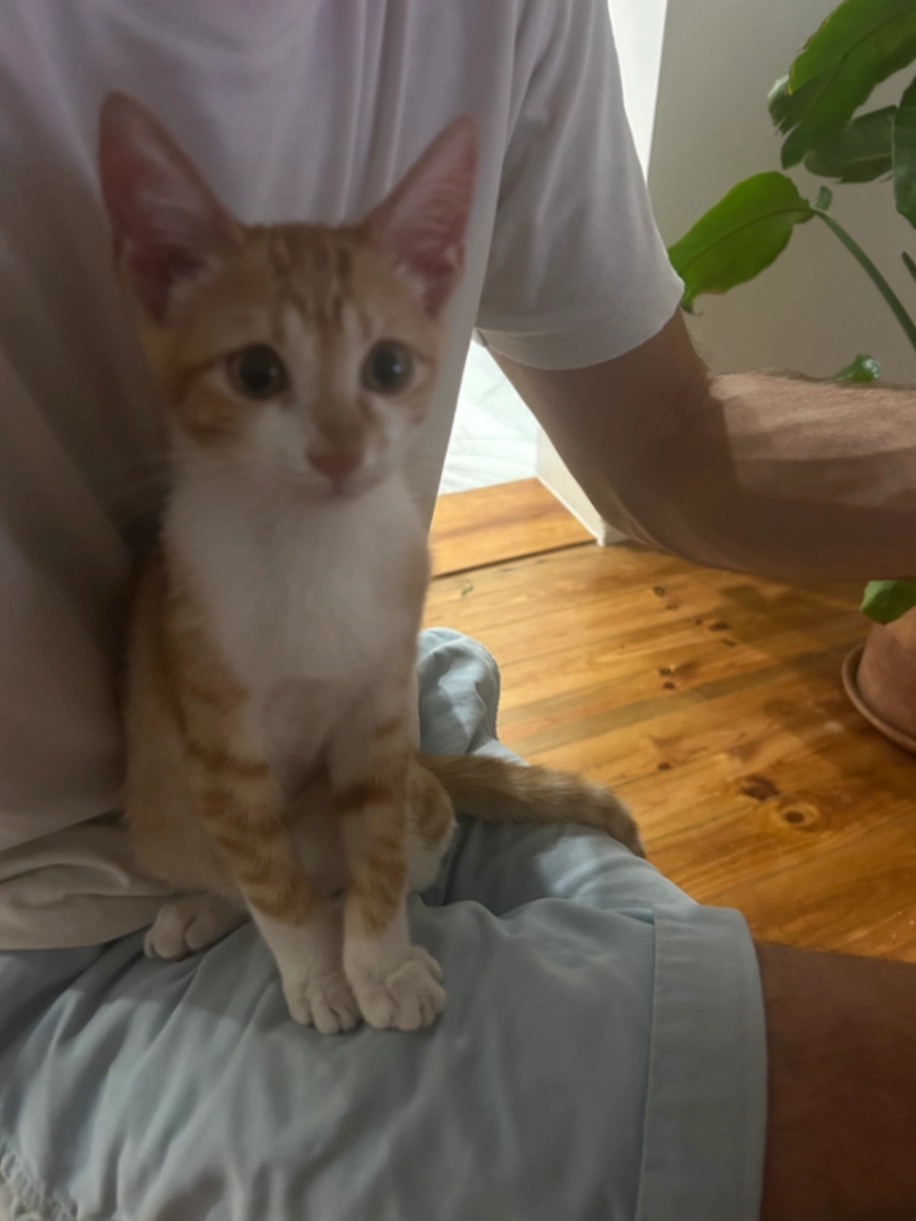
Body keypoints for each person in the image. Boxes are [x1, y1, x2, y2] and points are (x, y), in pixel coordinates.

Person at [0, 2, 914, 1219]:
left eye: (386, 371)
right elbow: (222, 767)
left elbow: (665, 439)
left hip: (358, 779)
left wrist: (372, 924)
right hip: (54, 923)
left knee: (689, 940)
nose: (341, 441)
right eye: (266, 375)